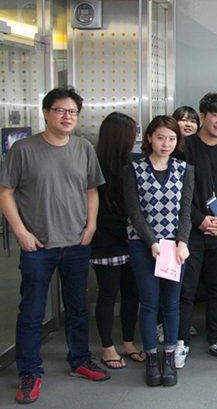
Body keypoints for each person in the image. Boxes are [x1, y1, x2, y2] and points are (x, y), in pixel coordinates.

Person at [0, 87, 109, 404]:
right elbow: (5, 192)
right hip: (38, 245)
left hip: (76, 242)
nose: (67, 117)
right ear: (46, 113)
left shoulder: (83, 148)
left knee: (77, 309)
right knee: (32, 312)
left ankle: (80, 361)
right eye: (61, 110)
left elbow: (91, 190)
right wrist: (20, 231)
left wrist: (91, 225)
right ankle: (29, 372)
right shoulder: (23, 149)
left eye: (73, 112)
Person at [124, 116, 194, 387]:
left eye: (172, 139)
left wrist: (183, 242)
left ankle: (169, 356)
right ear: (150, 138)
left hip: (175, 247)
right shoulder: (134, 169)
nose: (166, 143)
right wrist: (151, 241)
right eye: (161, 137)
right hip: (143, 245)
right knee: (150, 301)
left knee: (172, 303)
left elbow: (186, 210)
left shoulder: (184, 169)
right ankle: (151, 358)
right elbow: (134, 211)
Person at [175, 92, 217, 367]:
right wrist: (198, 219)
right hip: (190, 231)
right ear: (202, 115)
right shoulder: (184, 148)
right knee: (186, 288)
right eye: (215, 115)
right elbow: (178, 192)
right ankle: (179, 341)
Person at [90, 112, 144, 370]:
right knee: (109, 295)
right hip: (106, 241)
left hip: (132, 241)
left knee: (132, 294)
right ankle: (107, 347)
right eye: (131, 135)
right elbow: (97, 210)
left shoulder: (132, 163)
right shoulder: (96, 164)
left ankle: (128, 342)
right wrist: (125, 231)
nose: (135, 139)